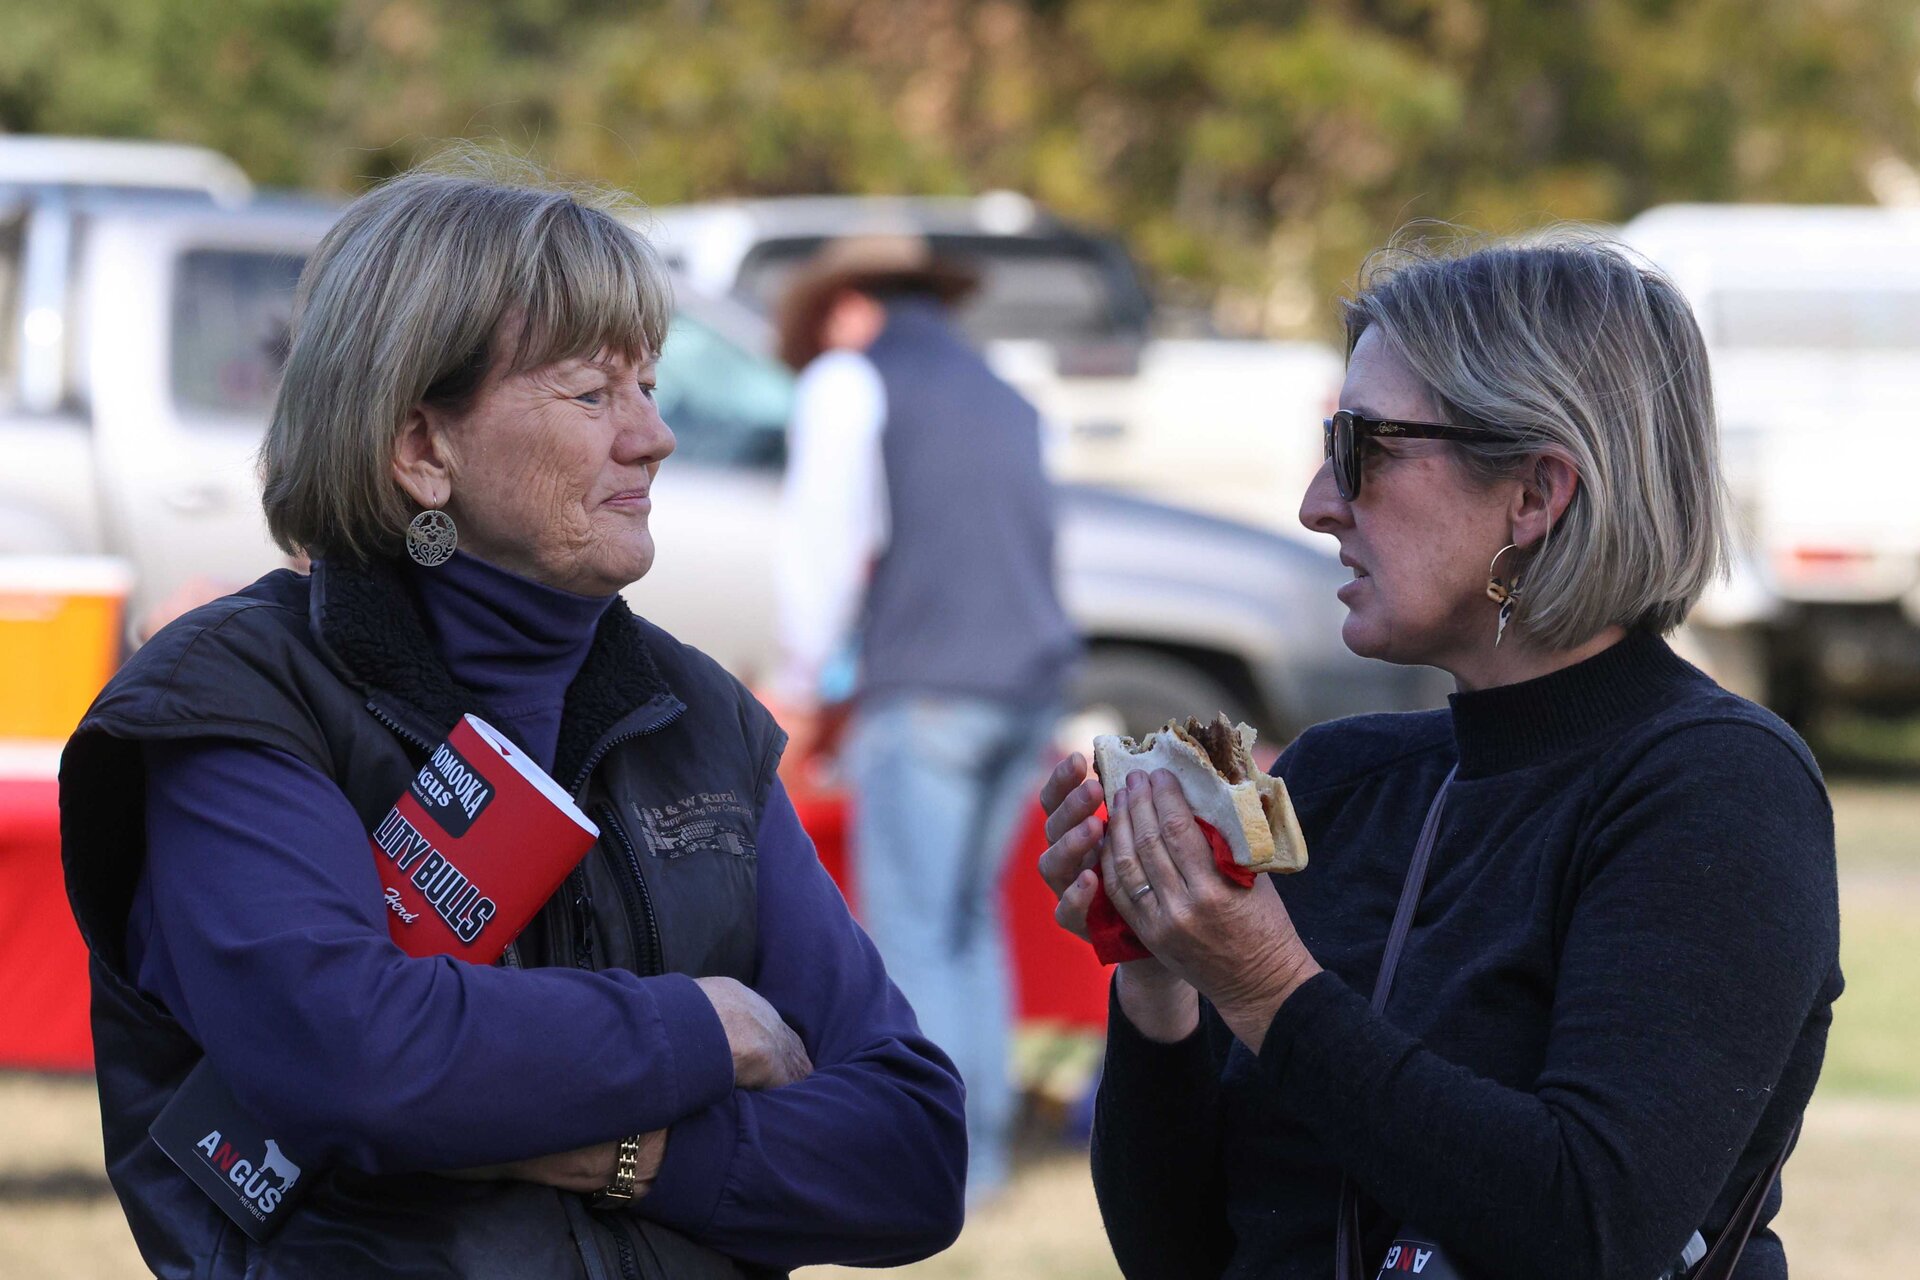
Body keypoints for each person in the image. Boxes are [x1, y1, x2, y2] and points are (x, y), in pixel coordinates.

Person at [59, 164, 965, 1279]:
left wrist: (623, 1153)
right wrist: (704, 1027)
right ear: (420, 450)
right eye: (592, 394)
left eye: (649, 384)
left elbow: (915, 1152)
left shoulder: (697, 718)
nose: (654, 435)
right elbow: (349, 1056)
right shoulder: (237, 698)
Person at [1037, 234, 1842, 1279]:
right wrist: (1160, 970)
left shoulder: (1715, 785)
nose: (1318, 502)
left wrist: (1267, 985)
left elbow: (1591, 1226)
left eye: (1363, 447)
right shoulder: (1341, 780)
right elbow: (1184, 1256)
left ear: (1536, 493)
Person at [769, 235, 1080, 1201]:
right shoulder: (1008, 395)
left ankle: (944, 1167)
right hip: (1026, 688)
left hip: (931, 690)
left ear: (846, 305)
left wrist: (800, 683)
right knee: (967, 922)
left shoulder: (850, 381)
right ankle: (983, 1152)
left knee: (911, 932)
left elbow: (825, 550)